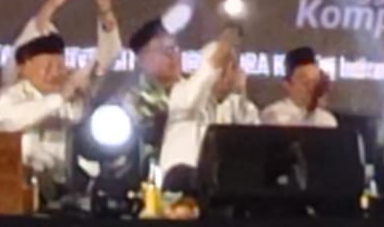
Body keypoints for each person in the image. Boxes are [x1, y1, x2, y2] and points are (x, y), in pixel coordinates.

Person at [0, 0, 123, 185]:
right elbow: (10, 122)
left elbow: (106, 58)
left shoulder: (71, 98)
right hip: (15, 186)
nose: (55, 72)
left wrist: (105, 12)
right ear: (24, 66)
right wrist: (59, 97)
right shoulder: (5, 98)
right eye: (47, 66)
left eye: (59, 65)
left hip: (66, 189)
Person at [158, 26, 259, 180]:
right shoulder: (182, 92)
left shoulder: (235, 104)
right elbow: (197, 89)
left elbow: (252, 135)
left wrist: (240, 93)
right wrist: (220, 53)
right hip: (179, 184)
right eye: (231, 67)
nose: (238, 72)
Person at [122, 18, 185, 153]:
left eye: (175, 49)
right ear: (142, 58)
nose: (173, 56)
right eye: (165, 50)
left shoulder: (192, 91)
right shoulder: (133, 102)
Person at [260, 47, 338, 128]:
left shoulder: (327, 120)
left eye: (314, 80)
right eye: (305, 82)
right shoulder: (273, 114)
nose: (310, 87)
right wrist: (309, 110)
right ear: (287, 84)